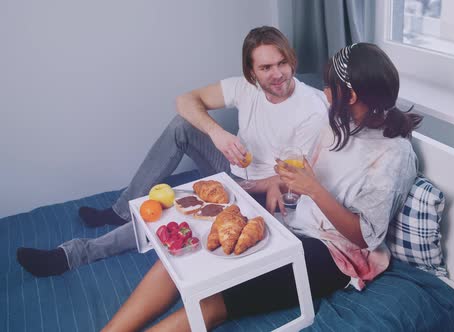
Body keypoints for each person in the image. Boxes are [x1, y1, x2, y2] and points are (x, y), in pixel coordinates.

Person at [102, 43, 423, 331]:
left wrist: (313, 190)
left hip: (335, 254)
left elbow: (365, 236)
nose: (325, 93)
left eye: (330, 86)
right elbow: (310, 177)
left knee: (211, 301)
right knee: (180, 261)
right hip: (293, 223)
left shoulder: (393, 155)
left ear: (351, 96)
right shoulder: (341, 123)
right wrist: (273, 184)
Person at [16, 26, 328, 277]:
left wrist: (244, 186)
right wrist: (217, 133)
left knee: (175, 212)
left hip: (262, 192)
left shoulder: (311, 107)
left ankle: (75, 254)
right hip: (233, 169)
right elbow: (184, 100)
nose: (277, 74)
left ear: (292, 60)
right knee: (182, 124)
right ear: (252, 72)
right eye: (266, 67)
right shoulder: (245, 87)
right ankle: (121, 209)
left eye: (282, 63)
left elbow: (299, 180)